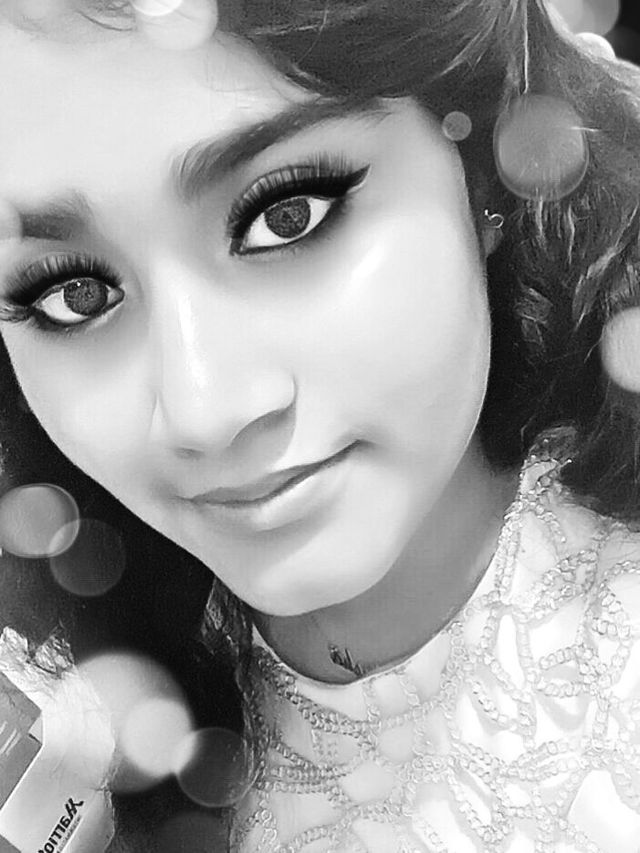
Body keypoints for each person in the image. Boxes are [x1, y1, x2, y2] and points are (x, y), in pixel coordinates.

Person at [2, 0, 640, 850]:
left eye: (287, 215)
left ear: (483, 170)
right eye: (73, 293)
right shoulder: (62, 673)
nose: (203, 410)